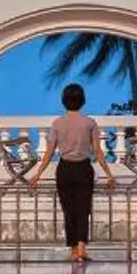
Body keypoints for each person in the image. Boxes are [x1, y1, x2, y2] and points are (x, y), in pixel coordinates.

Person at [31, 81, 113, 262]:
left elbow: (49, 152)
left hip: (65, 170)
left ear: (64, 101)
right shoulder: (90, 123)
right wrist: (109, 174)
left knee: (69, 211)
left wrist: (37, 174)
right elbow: (98, 151)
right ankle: (82, 248)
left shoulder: (57, 124)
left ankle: (74, 251)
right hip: (83, 169)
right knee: (83, 209)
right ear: (82, 101)